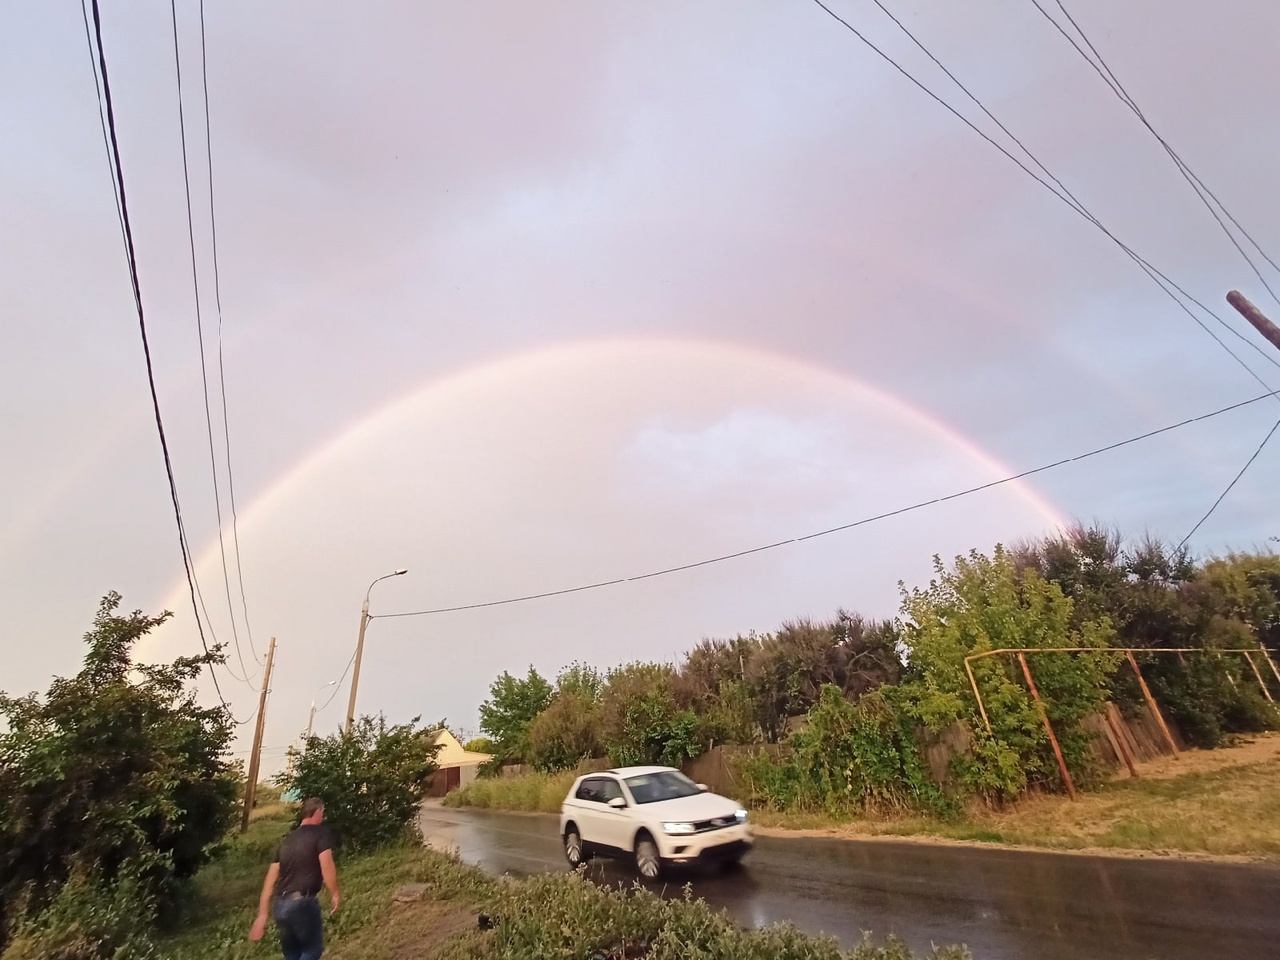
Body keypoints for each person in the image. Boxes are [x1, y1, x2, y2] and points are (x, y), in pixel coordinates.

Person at [248, 797, 341, 960]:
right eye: (323, 813)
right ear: (318, 812)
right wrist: (335, 893)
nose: (323, 816)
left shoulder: (287, 841)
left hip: (280, 906)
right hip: (302, 904)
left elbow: (269, 882)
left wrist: (262, 915)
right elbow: (326, 865)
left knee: (291, 955)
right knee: (312, 951)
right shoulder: (320, 834)